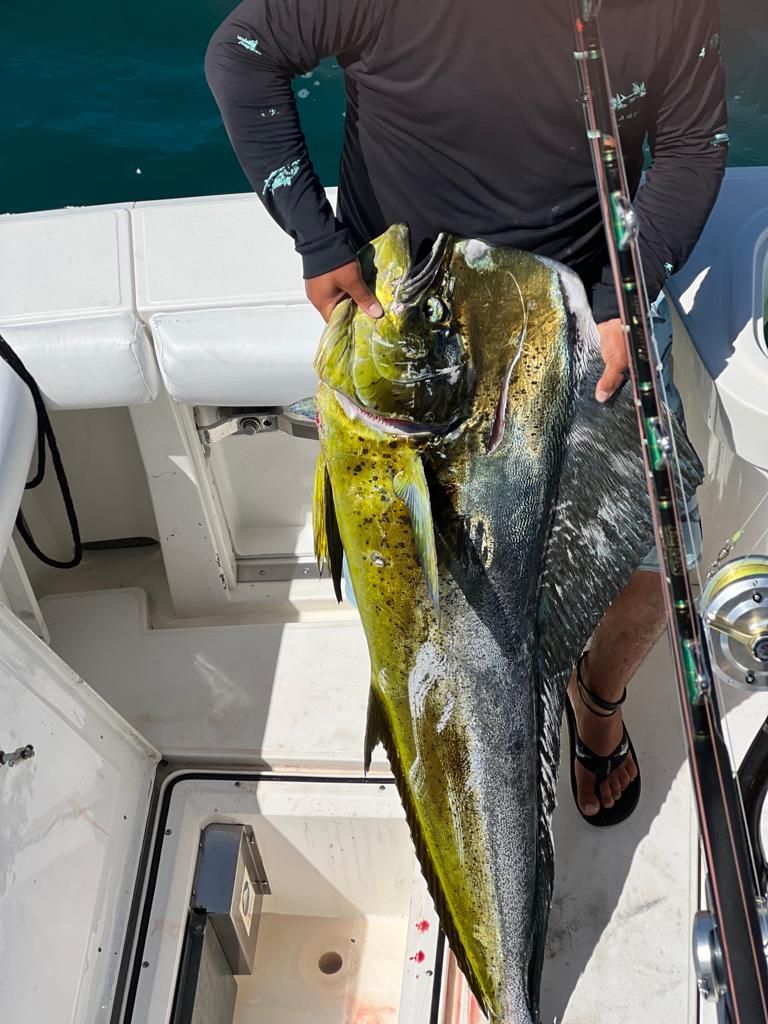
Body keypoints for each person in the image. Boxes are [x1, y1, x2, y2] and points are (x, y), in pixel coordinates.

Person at [205, 0, 727, 824]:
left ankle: (596, 700)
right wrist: (316, 238)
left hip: (589, 310)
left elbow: (696, 146)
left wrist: (625, 291)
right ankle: (447, 742)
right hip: (415, 324)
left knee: (658, 573)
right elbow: (240, 54)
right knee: (429, 594)